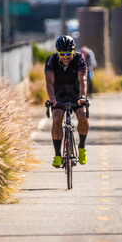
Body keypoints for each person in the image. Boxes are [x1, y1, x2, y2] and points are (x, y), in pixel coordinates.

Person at [45, 35, 89, 168]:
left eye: (68, 53)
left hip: (76, 93)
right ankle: (58, 155)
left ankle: (81, 148)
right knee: (57, 117)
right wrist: (52, 99)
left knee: (82, 115)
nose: (65, 56)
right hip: (58, 94)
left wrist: (82, 96)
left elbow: (83, 79)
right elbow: (49, 82)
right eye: (62, 53)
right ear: (58, 52)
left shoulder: (79, 58)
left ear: (73, 51)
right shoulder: (51, 60)